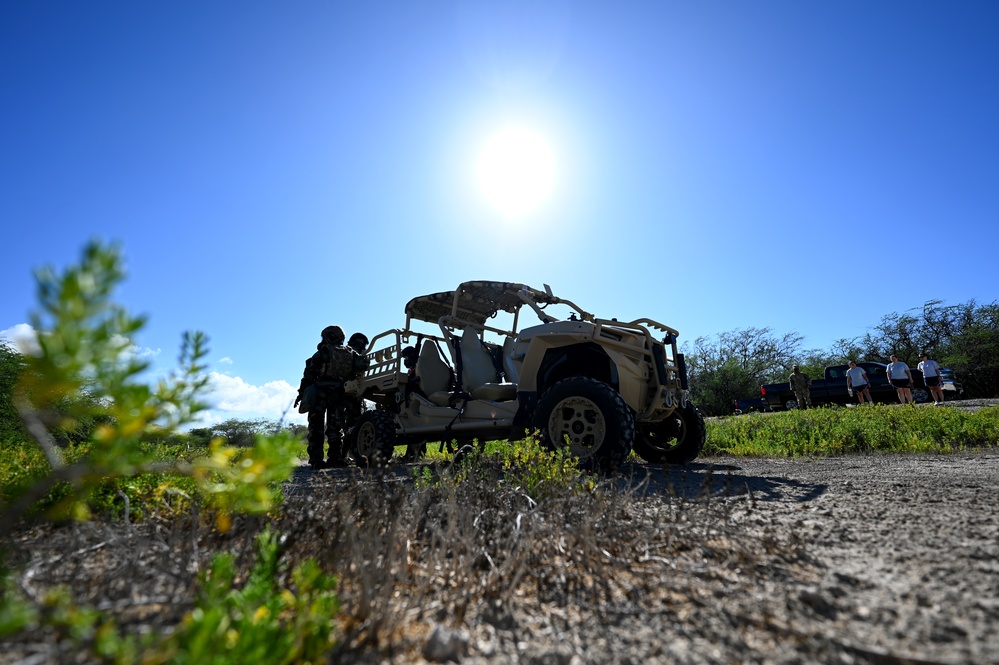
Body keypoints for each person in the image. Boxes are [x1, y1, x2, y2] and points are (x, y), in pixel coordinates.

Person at [294, 325, 367, 469]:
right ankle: (335, 458)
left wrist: (301, 394)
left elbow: (309, 374)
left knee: (316, 429)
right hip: (339, 394)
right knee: (335, 429)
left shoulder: (323, 351)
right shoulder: (351, 353)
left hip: (320, 394)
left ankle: (316, 461)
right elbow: (362, 365)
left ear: (331, 336)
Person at [345, 332, 370, 428]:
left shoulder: (343, 352)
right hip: (350, 392)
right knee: (353, 423)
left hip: (347, 392)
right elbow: (363, 365)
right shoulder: (353, 353)